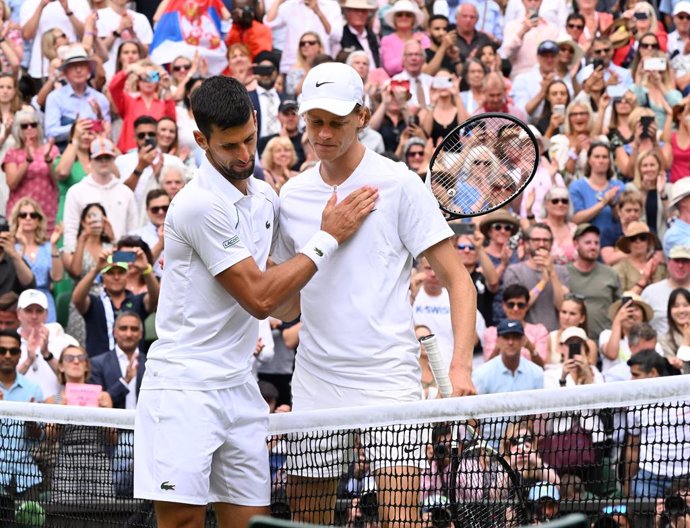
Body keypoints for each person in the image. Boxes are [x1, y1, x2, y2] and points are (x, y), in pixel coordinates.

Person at [134, 75, 377, 528]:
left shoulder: (265, 197)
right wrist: (328, 237)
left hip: (241, 387)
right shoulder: (197, 205)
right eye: (230, 147)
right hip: (185, 389)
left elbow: (285, 302)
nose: (245, 155)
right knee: (181, 524)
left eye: (250, 139)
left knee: (250, 523)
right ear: (201, 140)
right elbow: (261, 298)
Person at [272, 62, 476, 525]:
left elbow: (460, 282)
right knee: (309, 520)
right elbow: (288, 301)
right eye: (315, 121)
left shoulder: (401, 183)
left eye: (336, 122)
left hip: (389, 377)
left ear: (362, 117)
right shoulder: (292, 195)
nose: (323, 134)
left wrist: (460, 366)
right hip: (316, 377)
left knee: (400, 520)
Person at [63, 138, 138, 251]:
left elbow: (133, 231)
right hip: (87, 259)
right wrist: (73, 260)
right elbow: (70, 231)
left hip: (119, 257)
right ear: (90, 160)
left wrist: (126, 259)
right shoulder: (76, 192)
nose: (103, 161)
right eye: (98, 158)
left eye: (107, 157)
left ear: (113, 159)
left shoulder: (126, 192)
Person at [0, 328, 44, 512]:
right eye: (2, 351)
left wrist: (30, 422)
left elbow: (39, 437)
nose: (8, 355)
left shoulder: (33, 389)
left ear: (20, 354)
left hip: (27, 477)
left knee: (33, 520)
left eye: (14, 351)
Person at [502, 223, 569, 332]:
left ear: (551, 244)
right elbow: (516, 308)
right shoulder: (514, 271)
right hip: (523, 336)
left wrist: (551, 273)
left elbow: (562, 306)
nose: (541, 244)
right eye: (536, 240)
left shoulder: (561, 271)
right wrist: (543, 282)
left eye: (546, 240)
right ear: (527, 243)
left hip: (554, 337)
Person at [4, 108, 59, 233]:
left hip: (47, 210)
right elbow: (12, 184)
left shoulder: (51, 149)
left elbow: (57, 182)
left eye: (33, 124)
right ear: (18, 129)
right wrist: (27, 161)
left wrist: (49, 160)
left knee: (46, 250)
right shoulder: (12, 153)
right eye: (24, 126)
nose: (29, 128)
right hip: (21, 214)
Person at [43, 44, 110, 146]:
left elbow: (107, 131)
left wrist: (96, 125)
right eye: (73, 66)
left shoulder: (100, 98)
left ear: (88, 70)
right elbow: (50, 133)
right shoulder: (55, 98)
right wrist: (75, 128)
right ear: (66, 72)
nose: (78, 70)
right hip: (64, 151)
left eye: (82, 66)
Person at [9, 198, 63, 322]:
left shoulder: (47, 246)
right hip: (19, 302)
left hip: (43, 301)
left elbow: (57, 277)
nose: (28, 218)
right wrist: (20, 248)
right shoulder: (10, 247)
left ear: (39, 220)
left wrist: (54, 246)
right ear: (17, 219)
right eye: (23, 215)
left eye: (33, 215)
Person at [566, 223, 622, 341]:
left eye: (596, 243)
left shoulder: (610, 274)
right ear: (576, 244)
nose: (593, 247)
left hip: (605, 343)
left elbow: (619, 309)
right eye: (588, 243)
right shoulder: (564, 273)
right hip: (572, 343)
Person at [89, 311, 146, 409]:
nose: (129, 334)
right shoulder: (97, 363)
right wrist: (125, 381)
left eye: (134, 329)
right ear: (114, 332)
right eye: (123, 328)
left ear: (141, 334)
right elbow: (98, 402)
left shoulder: (150, 364)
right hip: (110, 423)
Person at [483, 284, 548, 366]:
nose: (515, 309)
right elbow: (487, 368)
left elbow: (541, 366)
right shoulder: (491, 332)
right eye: (511, 304)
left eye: (520, 305)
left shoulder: (539, 331)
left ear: (527, 306)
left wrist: (530, 347)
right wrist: (499, 346)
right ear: (504, 306)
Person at [600, 291, 655, 373]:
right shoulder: (606, 335)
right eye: (626, 309)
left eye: (636, 309)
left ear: (643, 315)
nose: (630, 313)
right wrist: (618, 320)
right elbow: (612, 354)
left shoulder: (652, 341)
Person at [643, 245, 690, 336]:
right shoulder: (650, 292)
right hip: (660, 346)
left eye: (685, 261)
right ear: (668, 263)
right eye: (676, 261)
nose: (680, 266)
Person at [613, 221, 666, 294]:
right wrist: (644, 280)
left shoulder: (660, 267)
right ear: (628, 244)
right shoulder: (619, 269)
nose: (638, 241)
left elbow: (665, 295)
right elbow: (622, 300)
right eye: (633, 238)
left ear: (649, 242)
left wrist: (653, 276)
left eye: (642, 238)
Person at [379, 0, 428, 77]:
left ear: (413, 19)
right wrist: (412, 45)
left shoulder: (423, 38)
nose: (403, 17)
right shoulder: (386, 40)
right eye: (399, 15)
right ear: (394, 19)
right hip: (396, 83)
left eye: (408, 15)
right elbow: (390, 68)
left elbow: (428, 65)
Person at [546, 295, 598, 367]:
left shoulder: (590, 344)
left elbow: (592, 374)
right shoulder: (551, 338)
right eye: (564, 312)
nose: (567, 317)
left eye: (572, 314)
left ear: (582, 318)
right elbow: (547, 369)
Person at [132, 189, 169, 277]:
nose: (161, 212)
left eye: (165, 208)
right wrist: (160, 245)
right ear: (147, 210)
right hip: (148, 287)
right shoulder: (135, 236)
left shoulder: (183, 233)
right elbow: (133, 270)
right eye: (155, 209)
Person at [658, 288, 690, 372]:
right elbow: (678, 370)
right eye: (676, 306)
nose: (681, 310)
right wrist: (685, 342)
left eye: (686, 305)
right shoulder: (664, 341)